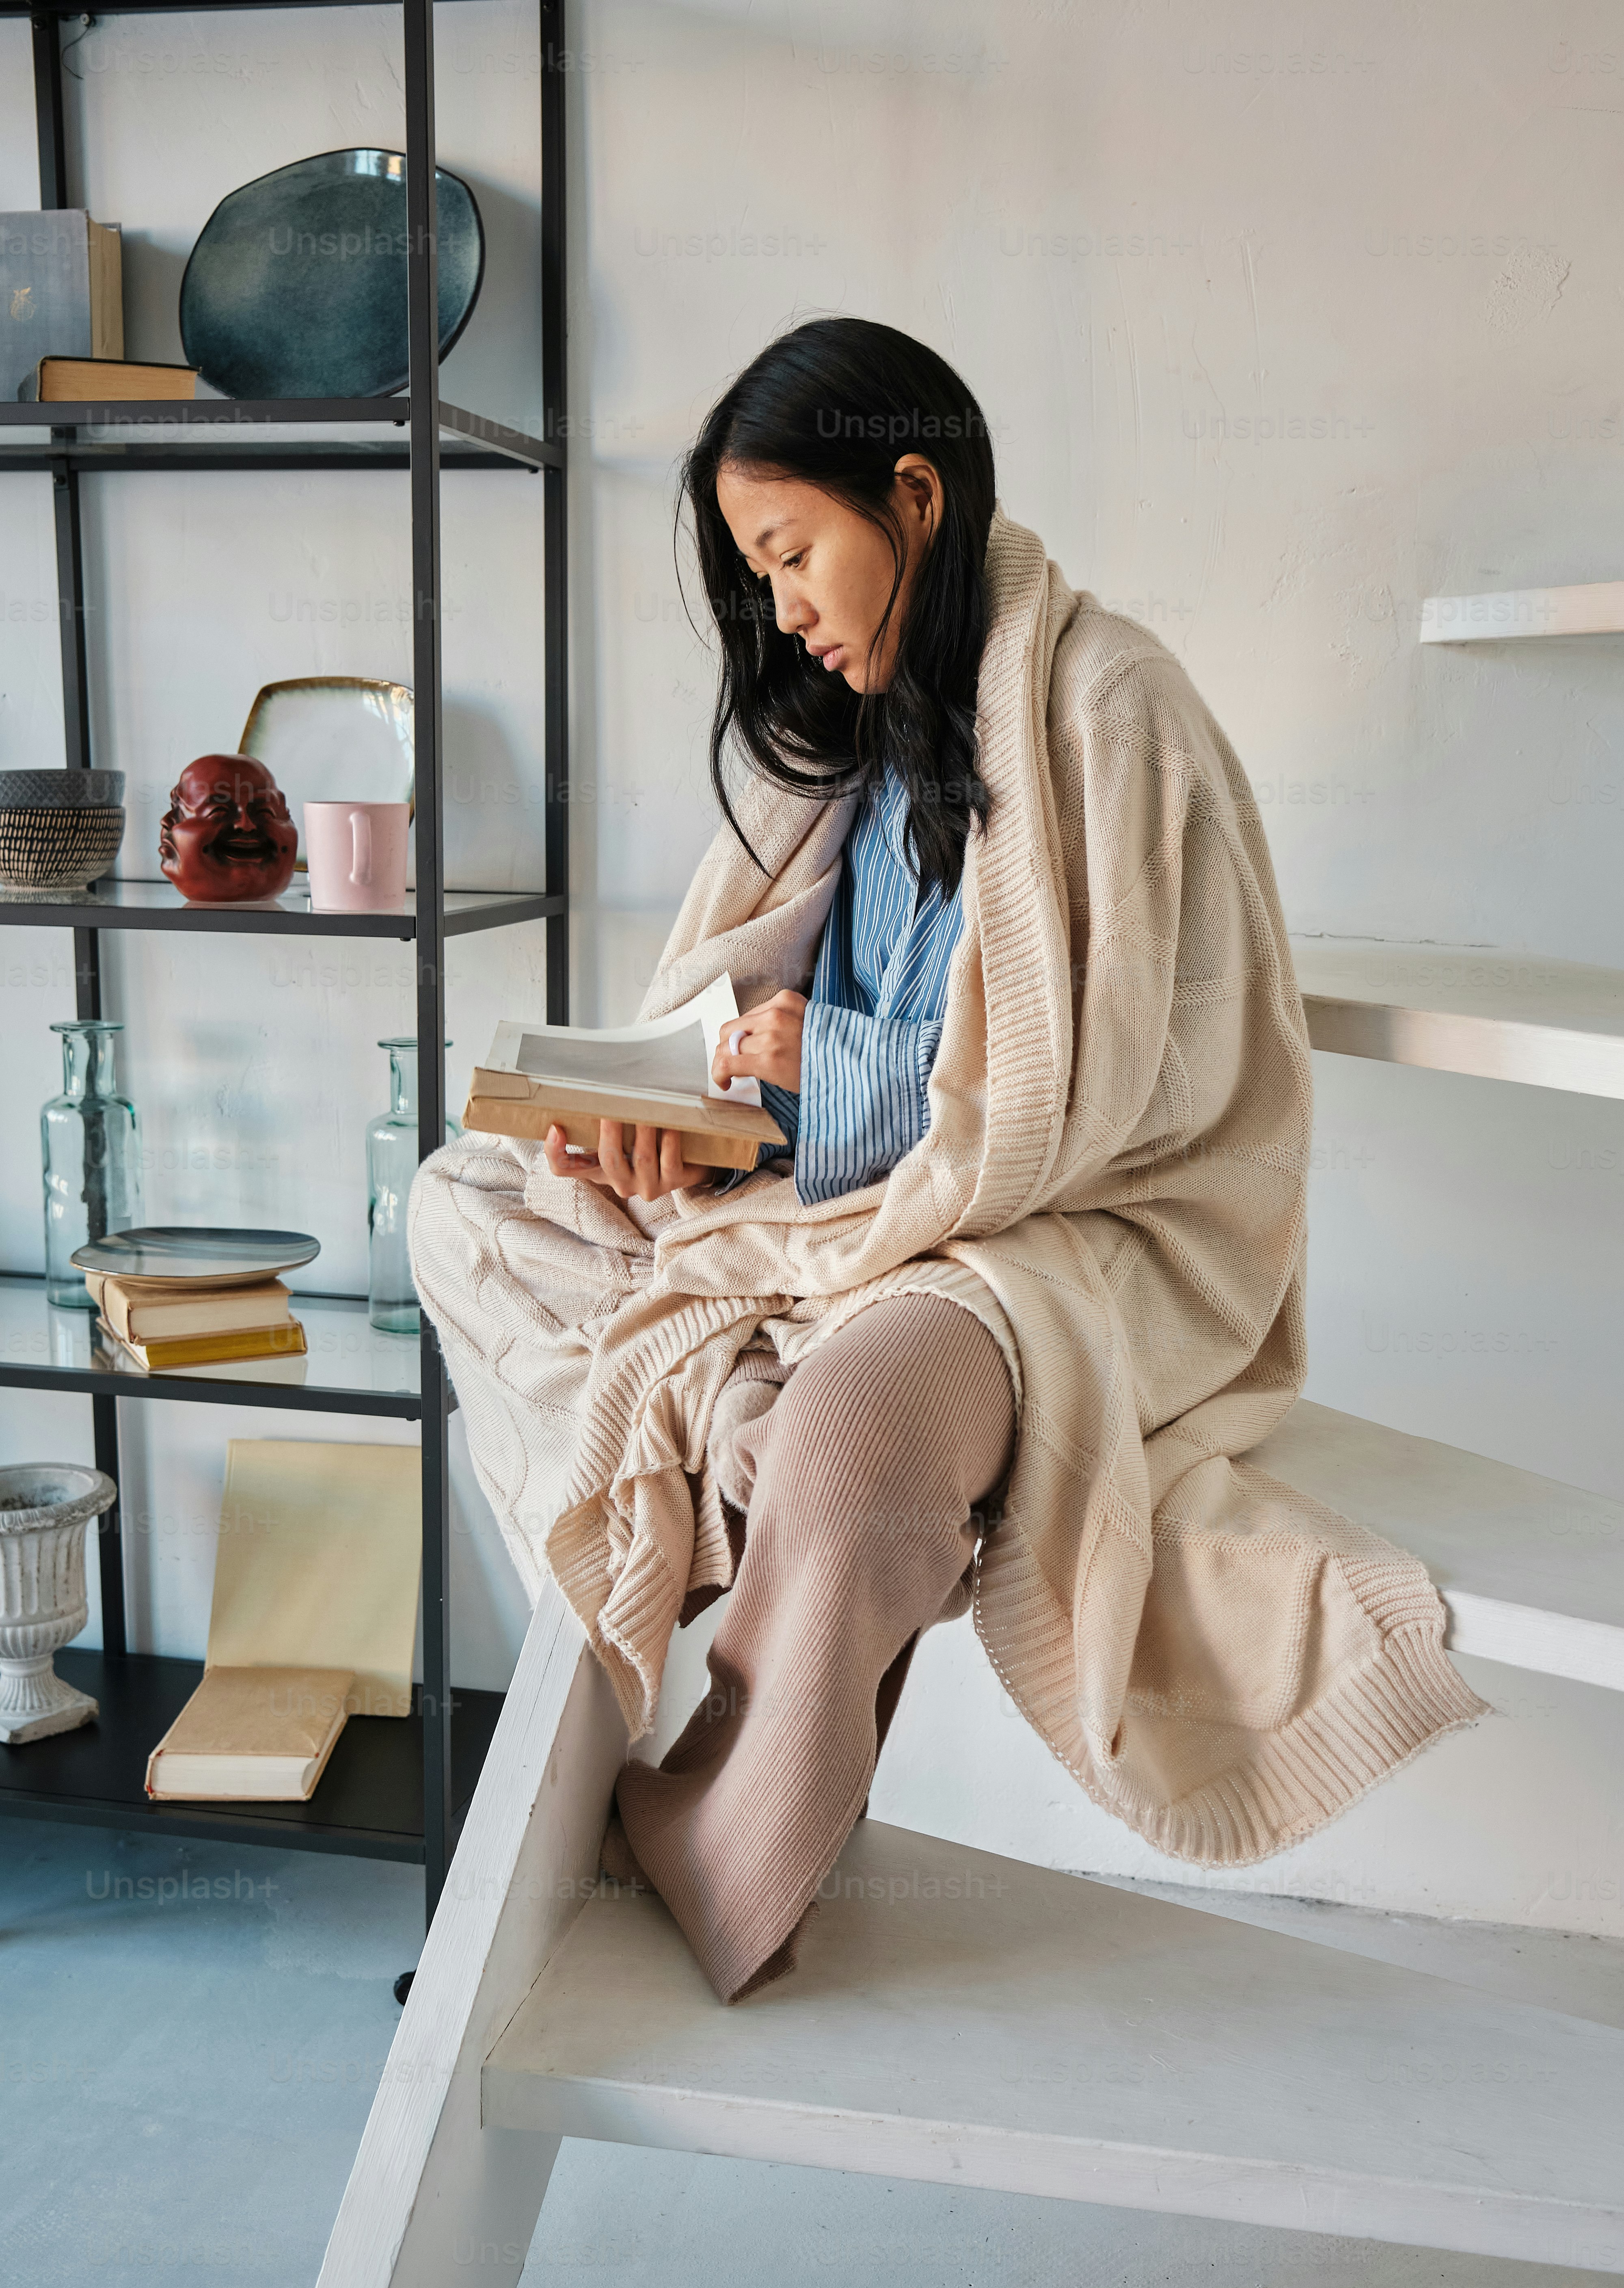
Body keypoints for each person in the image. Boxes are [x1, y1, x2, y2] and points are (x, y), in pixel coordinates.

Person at [409, 317, 1484, 2006]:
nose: (781, 612)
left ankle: (722, 1844)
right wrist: (696, 1125)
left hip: (1054, 1236)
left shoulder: (1110, 704)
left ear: (913, 494)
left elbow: (1115, 1092)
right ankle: (739, 1425)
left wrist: (823, 1065)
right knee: (458, 1199)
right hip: (844, 1209)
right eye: (756, 577)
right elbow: (778, 1031)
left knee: (851, 1444)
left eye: (791, 555)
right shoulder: (854, 746)